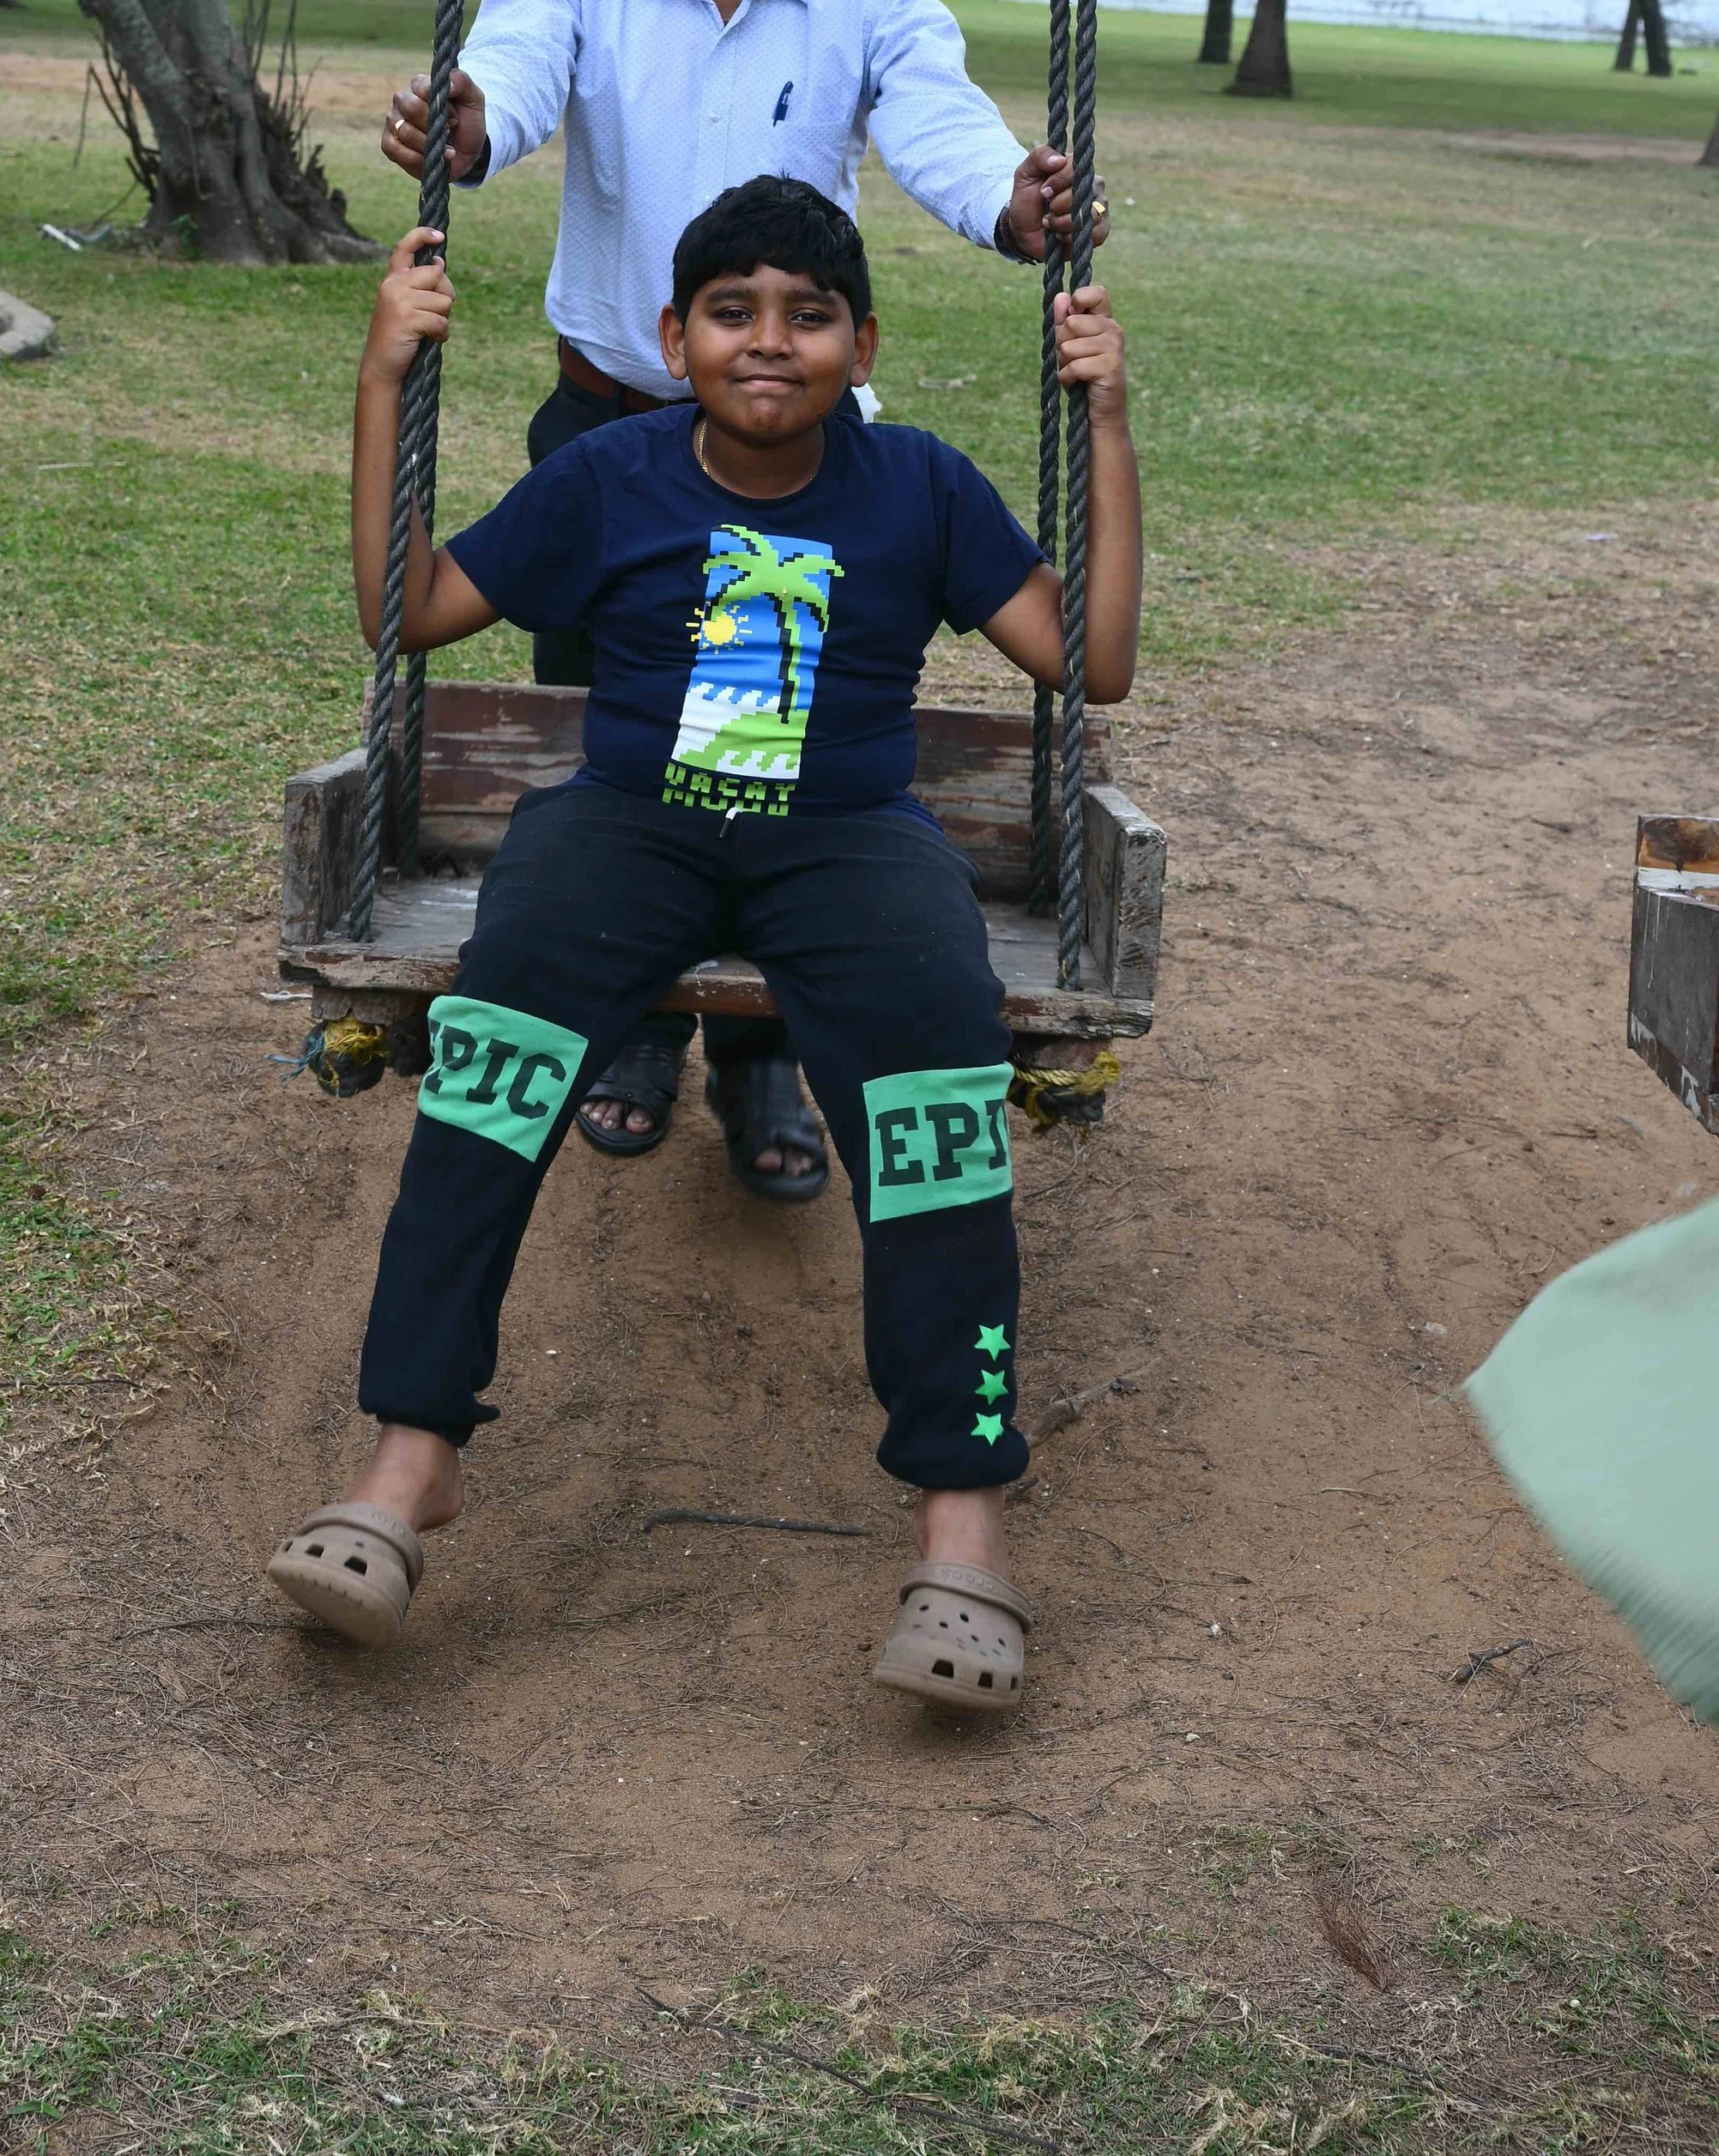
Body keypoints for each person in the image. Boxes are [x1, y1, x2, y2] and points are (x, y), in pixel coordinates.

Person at [269, 176, 1141, 1715]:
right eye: (733, 312)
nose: (771, 341)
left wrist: (1109, 420)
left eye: (810, 315)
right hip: (628, 826)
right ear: (674, 339)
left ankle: (962, 1518)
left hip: (851, 839)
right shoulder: (607, 475)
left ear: (863, 343)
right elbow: (408, 611)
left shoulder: (920, 485)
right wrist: (382, 374)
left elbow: (1097, 658)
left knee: (939, 1089)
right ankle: (410, 1455)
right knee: (492, 1056)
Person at [379, 0, 1108, 1193]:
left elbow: (943, 122)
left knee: (783, 748)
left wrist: (1014, 204)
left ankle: (763, 1059)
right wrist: (468, 123)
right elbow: (512, 70)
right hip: (611, 434)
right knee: (621, 743)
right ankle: (642, 1022)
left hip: (797, 455)